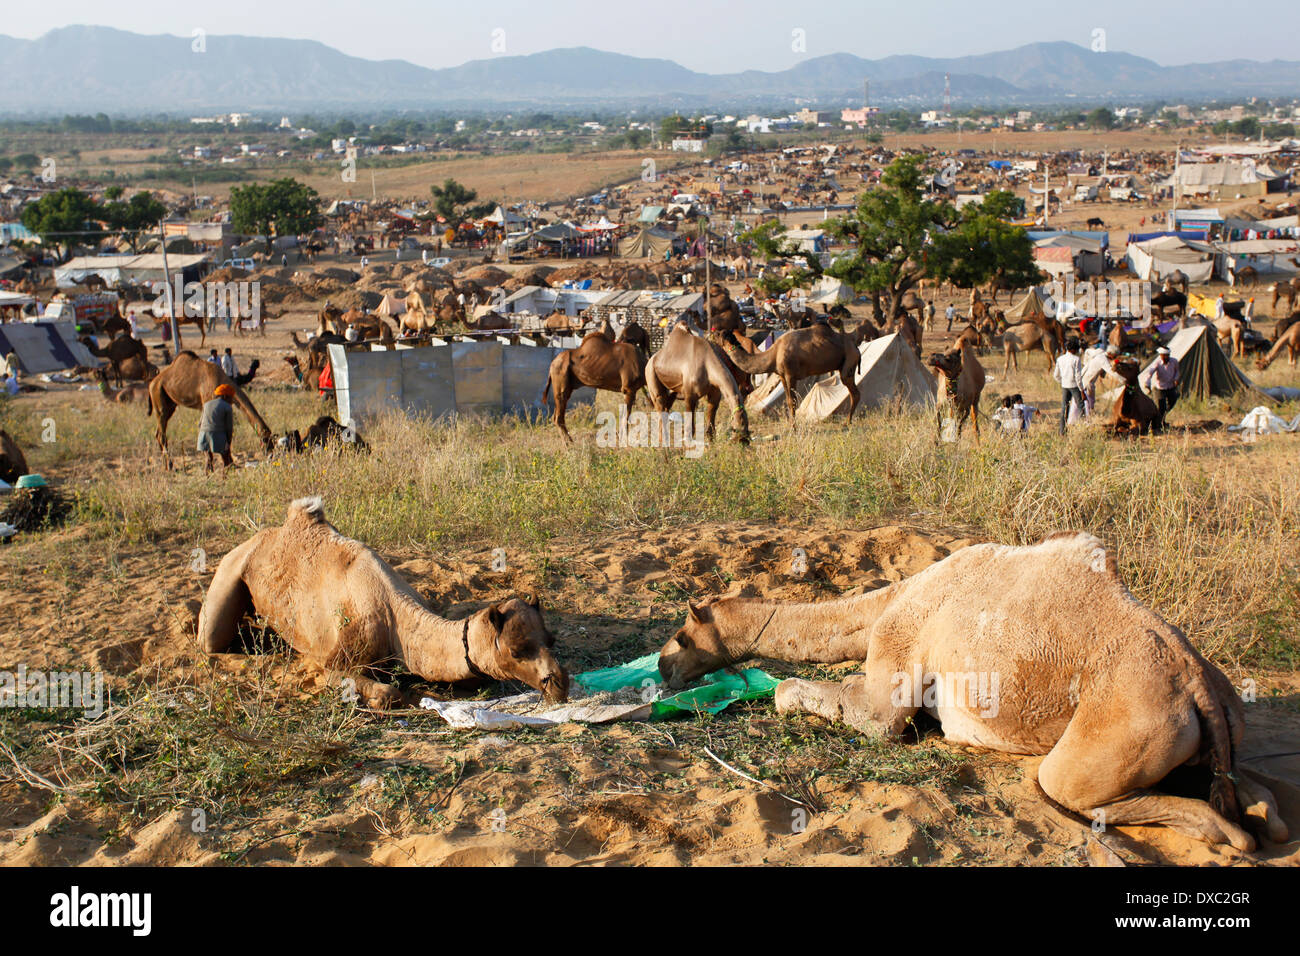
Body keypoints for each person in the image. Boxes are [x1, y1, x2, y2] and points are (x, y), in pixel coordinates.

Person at [197, 384, 235, 475]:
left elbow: (199, 424)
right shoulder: (227, 407)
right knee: (226, 458)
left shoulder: (206, 404)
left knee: (208, 458)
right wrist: (228, 443)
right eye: (231, 398)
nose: (232, 400)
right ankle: (225, 477)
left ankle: (208, 477)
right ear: (225, 396)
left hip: (203, 434)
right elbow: (229, 428)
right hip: (218, 435)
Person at [1052, 337, 1084, 435]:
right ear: (1074, 349)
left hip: (1065, 385)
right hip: (1074, 385)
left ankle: (1062, 431)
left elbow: (1055, 375)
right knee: (1081, 406)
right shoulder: (1076, 359)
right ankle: (1082, 428)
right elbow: (1078, 376)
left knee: (1064, 408)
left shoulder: (1060, 359)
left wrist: (1062, 381)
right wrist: (1082, 390)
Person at [1142, 347, 1180, 429]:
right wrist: (1147, 383)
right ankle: (1159, 423)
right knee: (1160, 406)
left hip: (1170, 386)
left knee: (1172, 400)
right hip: (1160, 388)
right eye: (1164, 356)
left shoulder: (1174, 361)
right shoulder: (1157, 363)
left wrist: (1176, 379)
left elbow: (1177, 371)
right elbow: (1149, 374)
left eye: (1167, 355)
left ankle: (1162, 419)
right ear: (1161, 355)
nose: (1166, 357)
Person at [1081, 343, 1118, 416]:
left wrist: (1085, 364)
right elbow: (1111, 372)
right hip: (1088, 381)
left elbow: (1087, 351)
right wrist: (1123, 379)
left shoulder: (1099, 353)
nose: (1115, 357)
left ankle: (1087, 415)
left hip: (1084, 377)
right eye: (1115, 355)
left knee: (1087, 400)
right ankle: (1088, 418)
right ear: (1110, 353)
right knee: (1089, 401)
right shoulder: (1103, 359)